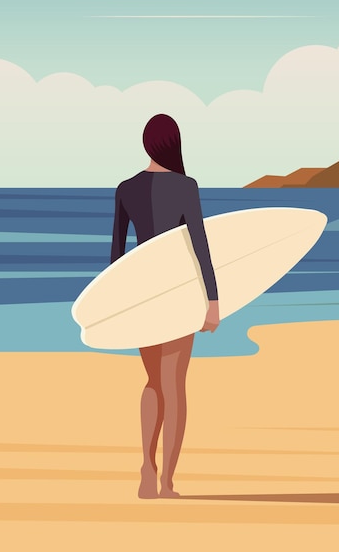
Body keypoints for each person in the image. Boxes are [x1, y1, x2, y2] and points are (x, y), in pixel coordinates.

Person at [110, 114, 220, 499]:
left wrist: (116, 306)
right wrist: (213, 299)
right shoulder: (186, 186)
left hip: (141, 296)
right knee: (175, 387)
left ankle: (145, 468)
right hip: (176, 293)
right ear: (173, 143)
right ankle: (167, 482)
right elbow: (199, 245)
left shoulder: (126, 188)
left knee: (154, 382)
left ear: (146, 144)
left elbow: (116, 257)